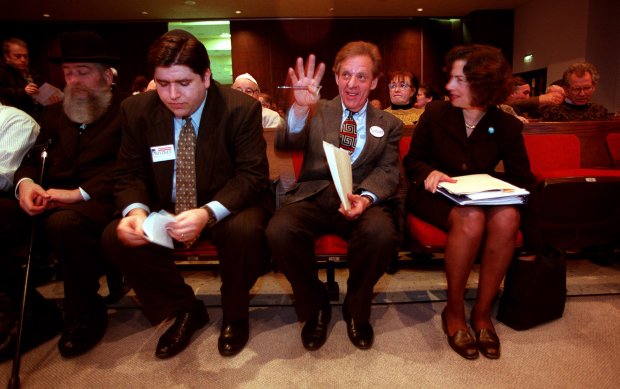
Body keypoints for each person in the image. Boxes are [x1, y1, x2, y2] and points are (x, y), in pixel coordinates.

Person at [101, 29, 273, 359]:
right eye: (163, 83)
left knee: (246, 231)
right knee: (114, 236)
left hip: (226, 204)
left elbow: (252, 177)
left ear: (206, 77)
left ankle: (235, 314)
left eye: (183, 83)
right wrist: (136, 212)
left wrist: (206, 213)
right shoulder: (137, 111)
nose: (172, 94)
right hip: (166, 206)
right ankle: (185, 308)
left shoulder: (240, 109)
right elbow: (129, 174)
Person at [266, 41, 402, 351]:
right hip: (314, 196)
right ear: (337, 77)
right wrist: (299, 108)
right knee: (279, 231)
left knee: (382, 234)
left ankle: (356, 309)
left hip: (360, 200)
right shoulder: (317, 110)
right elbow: (286, 142)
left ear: (375, 82)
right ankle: (315, 308)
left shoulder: (389, 124)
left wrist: (366, 198)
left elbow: (389, 171)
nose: (352, 84)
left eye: (362, 77)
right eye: (346, 75)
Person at [403, 44, 535, 360]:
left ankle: (483, 312)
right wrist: (430, 172)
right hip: (436, 196)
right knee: (471, 217)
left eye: (460, 80)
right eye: (452, 78)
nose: (449, 86)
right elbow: (413, 161)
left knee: (507, 218)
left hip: (481, 196)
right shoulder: (434, 114)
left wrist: (501, 190)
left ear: (484, 85)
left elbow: (522, 177)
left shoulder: (506, 125)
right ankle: (454, 311)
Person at [0, 30, 123, 359]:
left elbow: (130, 169)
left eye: (83, 71)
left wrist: (77, 194)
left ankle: (85, 312)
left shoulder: (128, 112)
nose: (74, 80)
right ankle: (35, 311)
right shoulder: (55, 114)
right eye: (69, 73)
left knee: (63, 224)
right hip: (50, 201)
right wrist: (26, 185)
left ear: (107, 76)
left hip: (101, 203)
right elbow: (32, 159)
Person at [539, 62, 609, 121]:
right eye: (576, 89)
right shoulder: (553, 113)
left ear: (593, 87)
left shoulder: (599, 111)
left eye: (587, 88)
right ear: (566, 89)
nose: (582, 94)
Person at [0, 38, 46, 120]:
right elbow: (3, 92)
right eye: (18, 56)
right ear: (7, 56)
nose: (23, 60)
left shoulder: (32, 72)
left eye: (25, 56)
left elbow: (41, 88)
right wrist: (23, 91)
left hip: (38, 116)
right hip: (17, 118)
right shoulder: (3, 72)